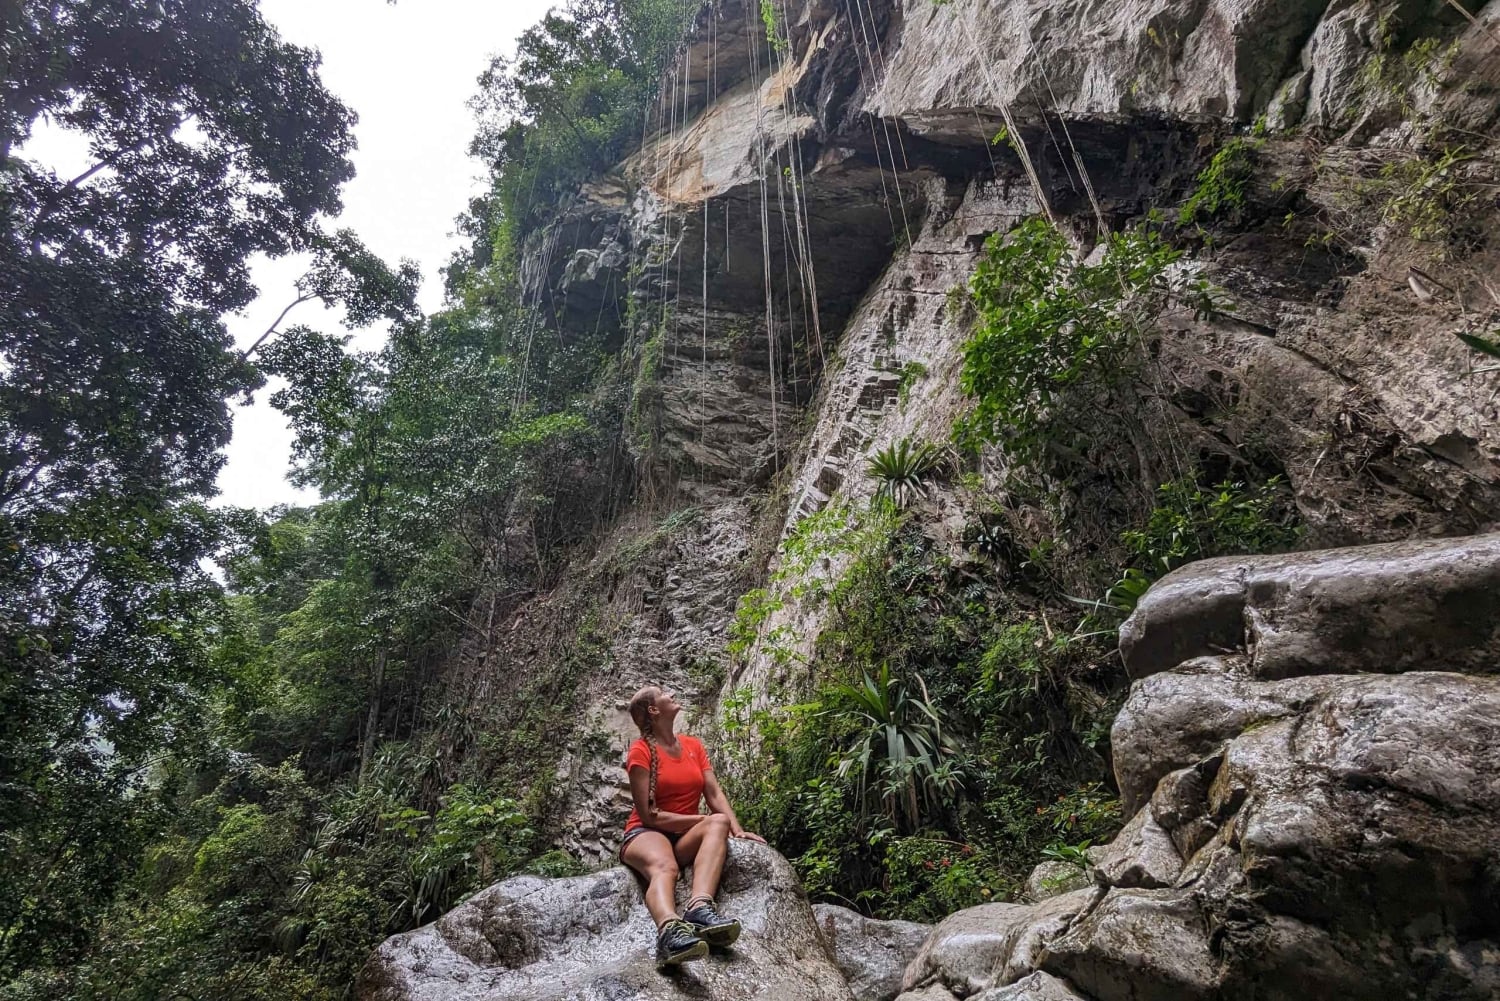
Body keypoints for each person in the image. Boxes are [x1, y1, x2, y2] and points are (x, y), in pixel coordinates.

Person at [620, 685, 766, 967]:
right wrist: (700, 820)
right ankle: (669, 931)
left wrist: (737, 830)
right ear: (654, 710)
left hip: (683, 835)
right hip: (646, 833)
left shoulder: (693, 746)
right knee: (666, 867)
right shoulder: (640, 751)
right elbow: (649, 816)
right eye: (664, 694)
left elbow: (713, 794)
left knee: (719, 821)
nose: (672, 695)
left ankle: (699, 907)